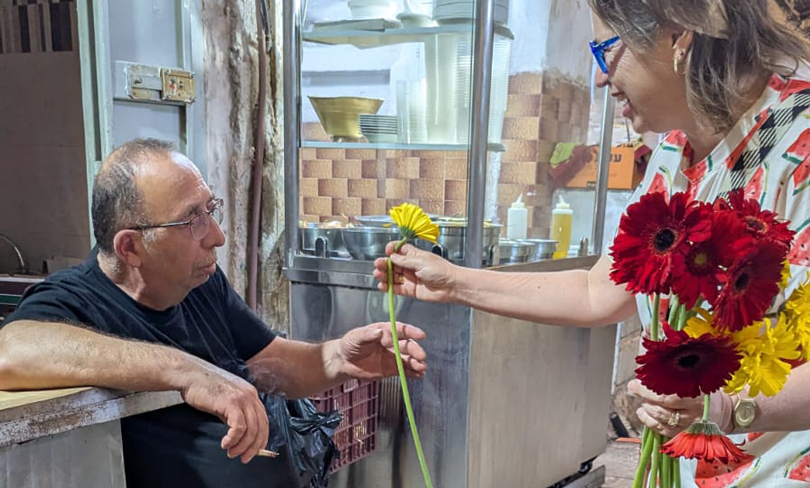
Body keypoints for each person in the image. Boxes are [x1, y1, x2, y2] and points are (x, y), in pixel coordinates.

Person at [375, 0, 810, 485]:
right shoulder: (673, 151)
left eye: (606, 49)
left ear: (677, 34)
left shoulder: (800, 144)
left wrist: (728, 407)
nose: (600, 77)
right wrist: (454, 283)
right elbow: (597, 291)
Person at [0, 138, 428, 488]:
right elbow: (12, 350)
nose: (217, 236)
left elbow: (268, 361)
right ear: (130, 247)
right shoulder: (77, 299)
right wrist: (187, 371)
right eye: (191, 221)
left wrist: (337, 358)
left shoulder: (196, 281)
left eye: (210, 209)